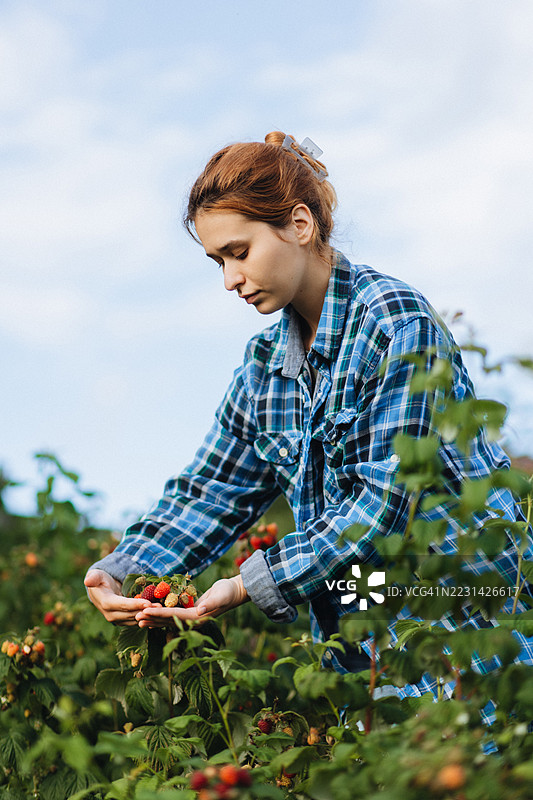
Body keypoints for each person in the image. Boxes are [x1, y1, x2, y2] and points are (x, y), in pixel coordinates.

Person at [85, 131, 533, 703]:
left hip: (468, 627)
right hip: (366, 649)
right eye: (217, 261)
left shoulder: (395, 323)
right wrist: (127, 566)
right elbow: (212, 489)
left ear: (300, 225)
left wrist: (249, 583)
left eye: (239, 252)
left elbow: (381, 508)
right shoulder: (264, 367)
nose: (229, 280)